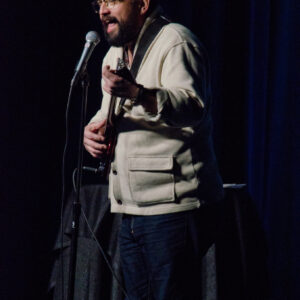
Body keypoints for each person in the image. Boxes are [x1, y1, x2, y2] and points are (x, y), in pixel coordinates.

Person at [84, 0, 224, 299]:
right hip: (131, 209)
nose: (103, 10)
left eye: (112, 1)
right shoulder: (114, 53)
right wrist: (94, 130)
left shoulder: (176, 42)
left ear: (143, 4)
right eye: (99, 3)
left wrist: (138, 93)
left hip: (173, 208)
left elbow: (191, 106)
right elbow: (107, 110)